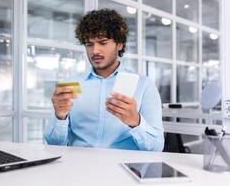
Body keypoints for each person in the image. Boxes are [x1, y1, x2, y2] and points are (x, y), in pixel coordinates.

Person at [44, 9, 164, 151]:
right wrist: (60, 117)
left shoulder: (144, 85)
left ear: (119, 44)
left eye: (103, 42)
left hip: (122, 169)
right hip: (78, 168)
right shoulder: (71, 85)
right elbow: (53, 145)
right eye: (89, 44)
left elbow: (157, 148)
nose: (95, 51)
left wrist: (135, 121)